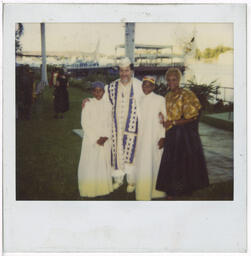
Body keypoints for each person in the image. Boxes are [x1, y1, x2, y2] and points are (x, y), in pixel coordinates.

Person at [82, 57, 144, 192]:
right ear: (119, 72)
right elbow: (100, 98)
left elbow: (149, 101)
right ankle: (118, 180)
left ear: (131, 71)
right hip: (115, 128)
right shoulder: (111, 87)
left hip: (133, 128)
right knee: (117, 153)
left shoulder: (140, 86)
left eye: (126, 71)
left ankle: (132, 182)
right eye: (121, 71)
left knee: (132, 154)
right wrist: (88, 100)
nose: (124, 74)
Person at [156, 68, 209, 197]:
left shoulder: (187, 94)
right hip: (171, 134)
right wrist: (163, 119)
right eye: (168, 80)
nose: (171, 82)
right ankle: (171, 191)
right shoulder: (167, 96)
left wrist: (173, 123)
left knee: (183, 163)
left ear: (179, 80)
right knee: (171, 163)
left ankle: (184, 190)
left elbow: (192, 116)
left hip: (184, 135)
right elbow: (167, 115)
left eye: (174, 79)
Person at [78, 81, 113, 198]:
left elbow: (110, 122)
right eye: (95, 91)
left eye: (100, 91)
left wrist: (106, 136)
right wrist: (95, 138)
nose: (98, 93)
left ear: (104, 92)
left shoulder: (108, 105)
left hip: (104, 139)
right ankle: (90, 188)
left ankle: (102, 188)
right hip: (91, 140)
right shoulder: (88, 104)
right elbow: (85, 123)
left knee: (102, 163)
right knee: (91, 163)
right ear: (92, 92)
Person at [135, 76, 167, 200]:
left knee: (155, 164)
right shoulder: (139, 100)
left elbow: (165, 119)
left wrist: (163, 137)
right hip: (142, 138)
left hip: (155, 137)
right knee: (143, 165)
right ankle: (143, 193)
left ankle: (156, 192)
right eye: (144, 85)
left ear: (153, 87)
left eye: (149, 85)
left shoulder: (160, 99)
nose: (146, 87)